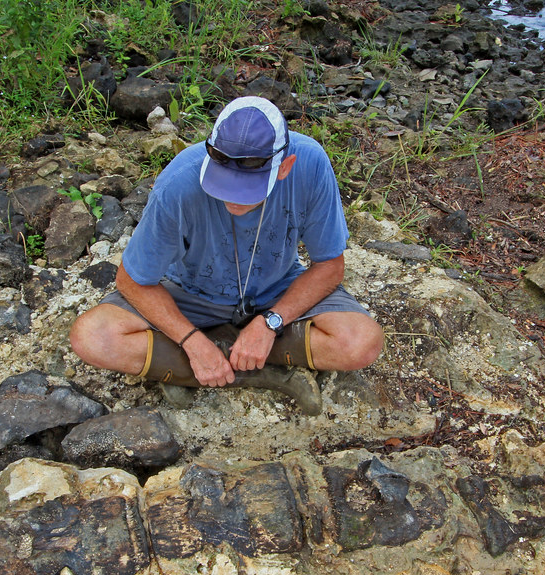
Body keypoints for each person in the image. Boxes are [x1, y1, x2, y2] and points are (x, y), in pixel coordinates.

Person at [70, 96, 383, 414]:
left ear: (284, 168)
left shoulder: (311, 164)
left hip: (276, 289)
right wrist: (191, 340)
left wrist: (269, 324)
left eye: (247, 189)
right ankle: (259, 369)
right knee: (93, 337)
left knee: (359, 342)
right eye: (222, 185)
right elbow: (131, 280)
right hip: (189, 293)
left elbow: (329, 265)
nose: (232, 199)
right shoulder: (178, 184)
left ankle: (186, 368)